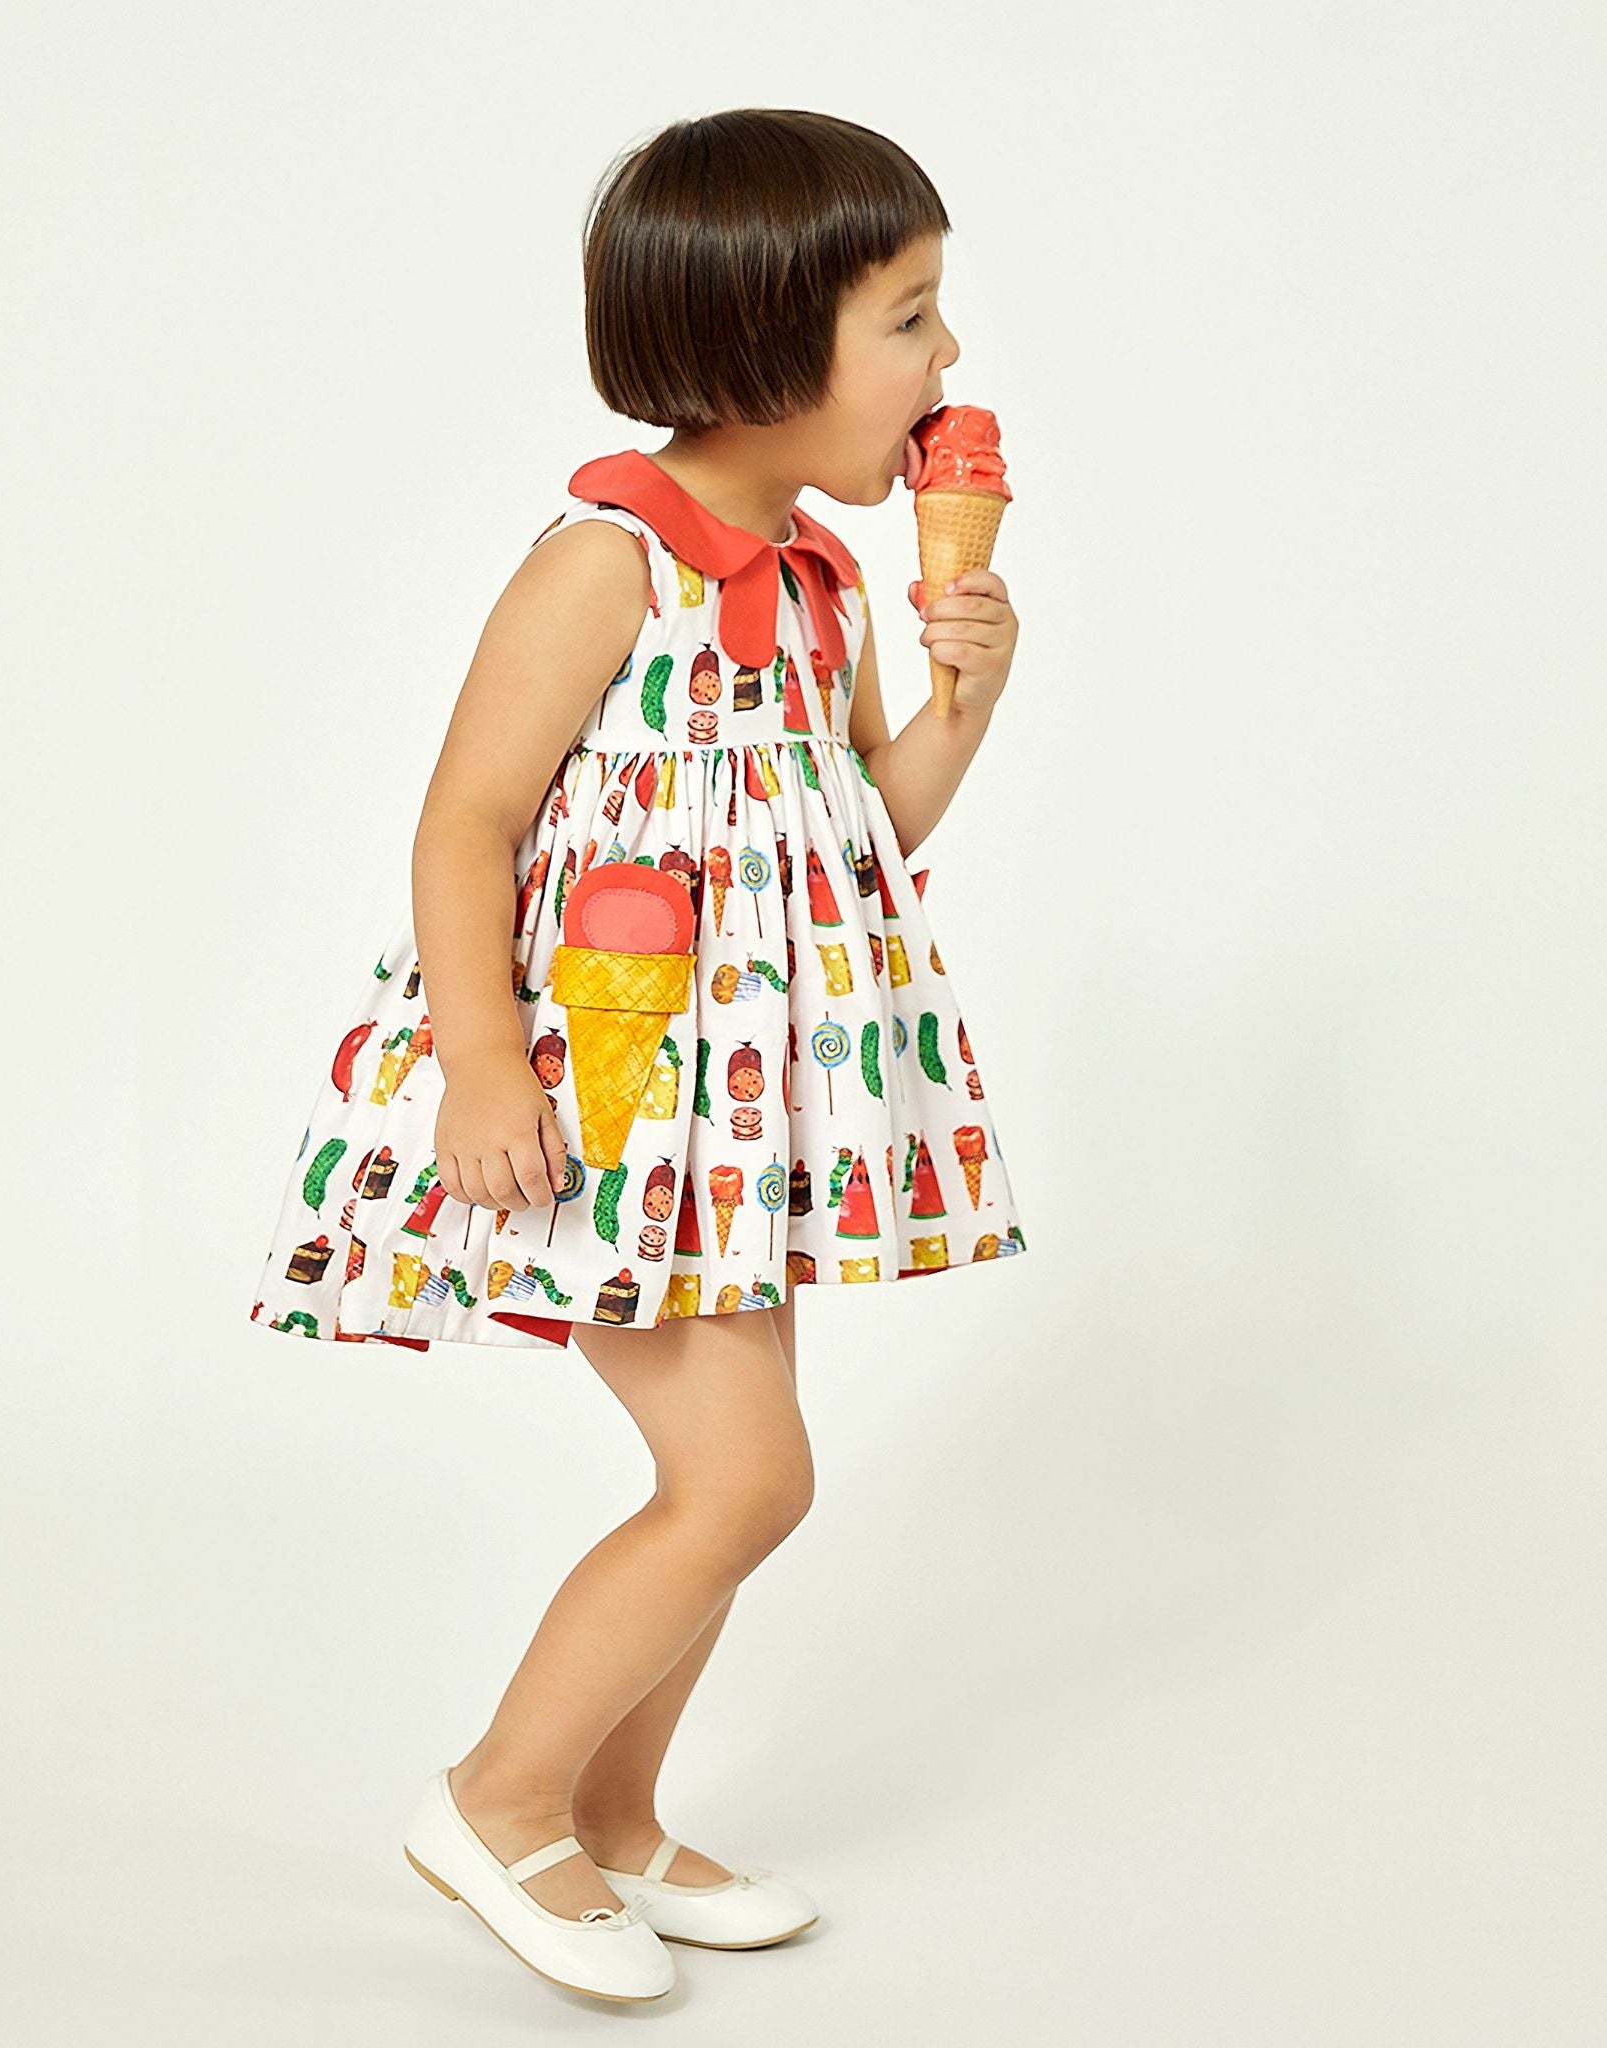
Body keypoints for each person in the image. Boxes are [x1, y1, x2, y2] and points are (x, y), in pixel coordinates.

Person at [246, 106, 1030, 2003]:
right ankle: (501, 1797)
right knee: (748, 1483)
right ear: (767, 353)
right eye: (913, 323)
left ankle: (614, 1815)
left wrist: (963, 702)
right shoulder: (607, 562)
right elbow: (466, 818)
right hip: (605, 1103)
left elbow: (861, 837)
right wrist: (487, 1066)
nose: (950, 368)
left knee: (735, 1479)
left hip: (739, 1125)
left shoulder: (826, 587)